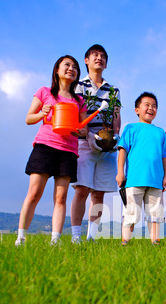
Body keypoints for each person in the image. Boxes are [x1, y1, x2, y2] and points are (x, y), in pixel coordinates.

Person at [15, 55, 87, 246]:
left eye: (75, 67)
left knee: (61, 197)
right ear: (57, 70)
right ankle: (21, 237)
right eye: (67, 65)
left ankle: (55, 240)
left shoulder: (79, 100)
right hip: (45, 146)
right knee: (34, 193)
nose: (71, 69)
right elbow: (28, 118)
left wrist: (82, 129)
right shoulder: (44, 92)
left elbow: (84, 127)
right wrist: (42, 113)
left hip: (69, 150)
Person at [70, 44, 121, 244]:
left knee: (99, 193)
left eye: (102, 56)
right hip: (84, 143)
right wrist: (83, 131)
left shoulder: (113, 89)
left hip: (107, 145)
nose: (99, 58)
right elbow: (75, 112)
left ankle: (92, 237)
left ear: (106, 63)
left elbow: (116, 115)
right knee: (82, 189)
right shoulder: (79, 85)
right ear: (86, 60)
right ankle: (76, 237)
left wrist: (115, 136)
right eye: (95, 55)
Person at [116, 92, 166, 245]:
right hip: (134, 179)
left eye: (154, 106)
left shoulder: (160, 132)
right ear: (137, 110)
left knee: (155, 213)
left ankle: (155, 241)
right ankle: (125, 240)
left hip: (156, 180)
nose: (151, 108)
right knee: (131, 212)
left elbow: (165, 156)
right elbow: (122, 150)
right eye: (147, 105)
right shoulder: (131, 128)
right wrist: (120, 172)